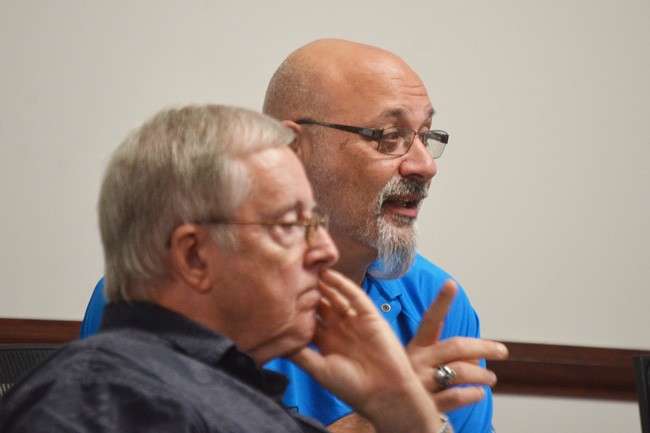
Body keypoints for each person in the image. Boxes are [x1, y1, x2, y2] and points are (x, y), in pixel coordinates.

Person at [79, 39, 508, 433]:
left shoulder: (438, 303)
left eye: (426, 136)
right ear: (294, 148)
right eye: (389, 137)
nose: (424, 165)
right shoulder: (188, 285)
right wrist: (378, 421)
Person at [0, 105, 453, 433]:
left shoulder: (237, 396)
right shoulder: (110, 402)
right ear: (195, 257)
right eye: (292, 225)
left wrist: (399, 412)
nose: (325, 253)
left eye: (316, 223)